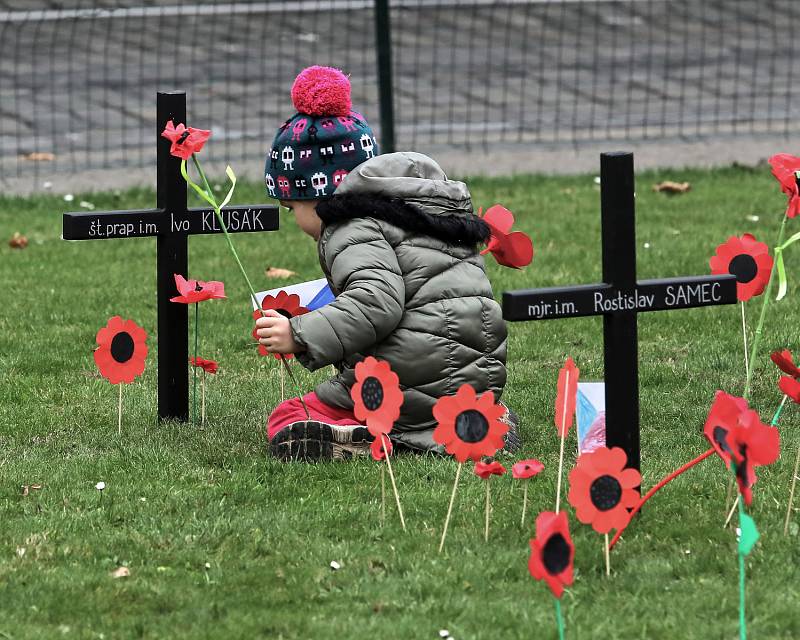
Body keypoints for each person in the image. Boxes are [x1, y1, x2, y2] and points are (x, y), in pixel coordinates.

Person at [257, 66, 518, 460]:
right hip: (476, 377)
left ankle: (376, 436)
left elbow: (376, 302)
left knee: (289, 415)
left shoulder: (349, 227)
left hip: (409, 381)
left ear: (319, 196)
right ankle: (476, 421)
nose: (295, 219)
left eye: (291, 206)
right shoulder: (414, 209)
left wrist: (299, 333)